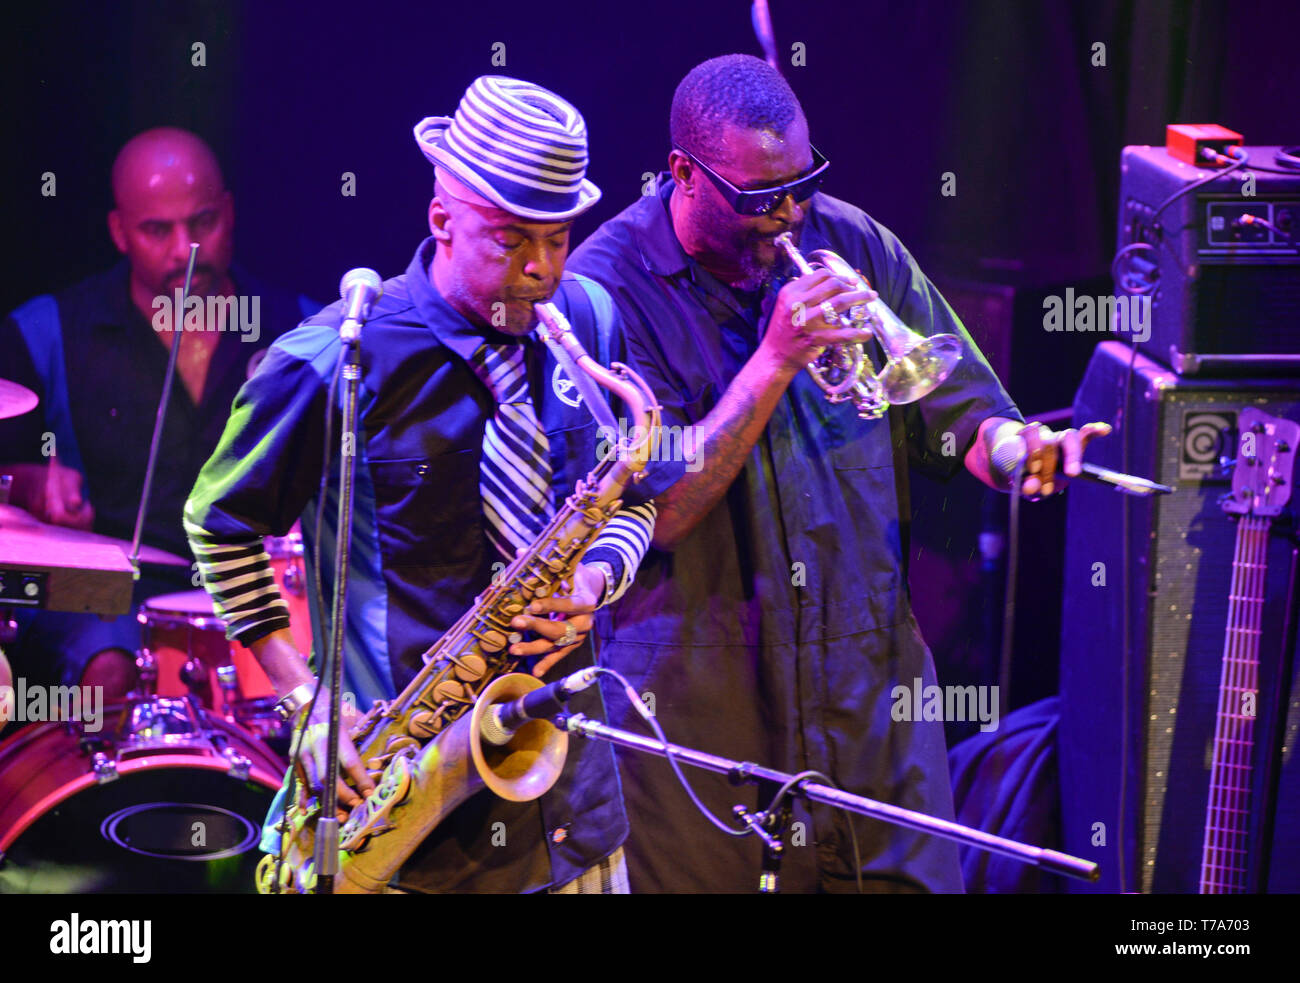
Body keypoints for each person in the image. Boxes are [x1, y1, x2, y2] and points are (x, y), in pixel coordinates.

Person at [568, 53, 1110, 893]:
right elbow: (661, 509)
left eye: (802, 185)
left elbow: (964, 409)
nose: (787, 215)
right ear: (683, 172)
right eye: (758, 198)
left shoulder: (850, 238)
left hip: (871, 703)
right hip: (698, 710)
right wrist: (776, 357)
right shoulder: (605, 290)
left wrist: (1017, 453)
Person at [183, 76, 656, 894]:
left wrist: (595, 575)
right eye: (511, 241)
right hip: (393, 801)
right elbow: (216, 522)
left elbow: (634, 495)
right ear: (441, 218)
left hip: (572, 807)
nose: (542, 270)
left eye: (558, 238)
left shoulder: (590, 317)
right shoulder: (337, 355)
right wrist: (308, 702)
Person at [0, 127, 317, 701]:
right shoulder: (47, 332)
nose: (184, 251)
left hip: (262, 596)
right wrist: (30, 484)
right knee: (109, 672)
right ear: (120, 232)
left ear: (229, 212)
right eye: (157, 230)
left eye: (202, 224)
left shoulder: (302, 331)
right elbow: (5, 477)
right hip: (110, 600)